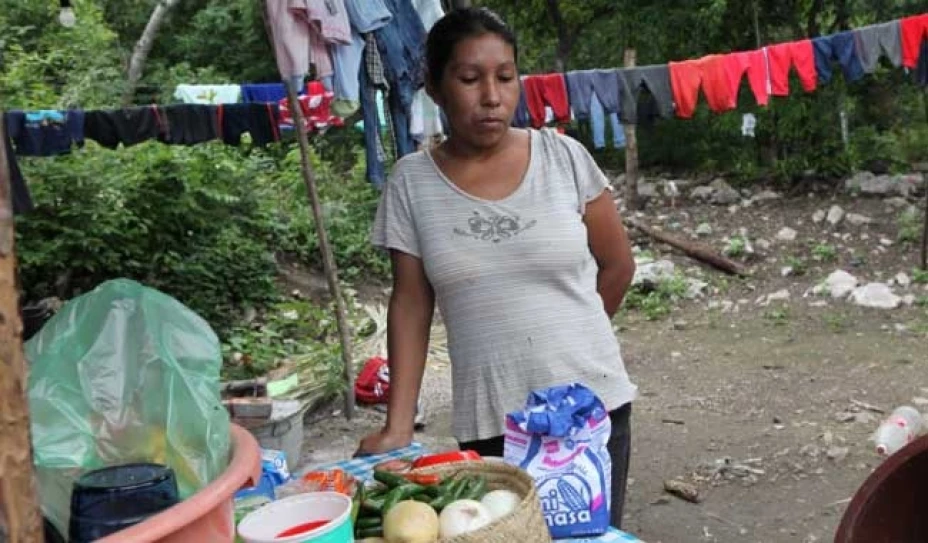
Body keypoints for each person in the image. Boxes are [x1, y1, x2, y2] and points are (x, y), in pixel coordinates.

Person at [357, 7, 638, 528]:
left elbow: (618, 265)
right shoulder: (412, 184)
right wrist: (398, 425)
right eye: (469, 79)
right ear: (435, 88)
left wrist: (574, 339)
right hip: (492, 423)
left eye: (505, 77)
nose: (492, 96)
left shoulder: (564, 158)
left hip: (590, 410)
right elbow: (412, 304)